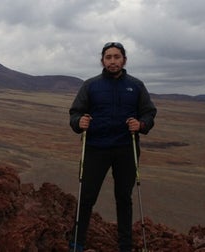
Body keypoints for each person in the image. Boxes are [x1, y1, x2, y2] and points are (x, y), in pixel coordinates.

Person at [68, 42, 157, 252]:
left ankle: (125, 246)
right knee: (87, 197)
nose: (113, 61)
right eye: (108, 57)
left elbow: (149, 112)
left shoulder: (136, 86)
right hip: (95, 148)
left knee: (124, 198)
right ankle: (77, 243)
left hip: (126, 149)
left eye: (117, 57)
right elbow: (75, 112)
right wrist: (78, 122)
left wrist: (141, 124)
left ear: (124, 60)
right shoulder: (90, 86)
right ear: (102, 61)